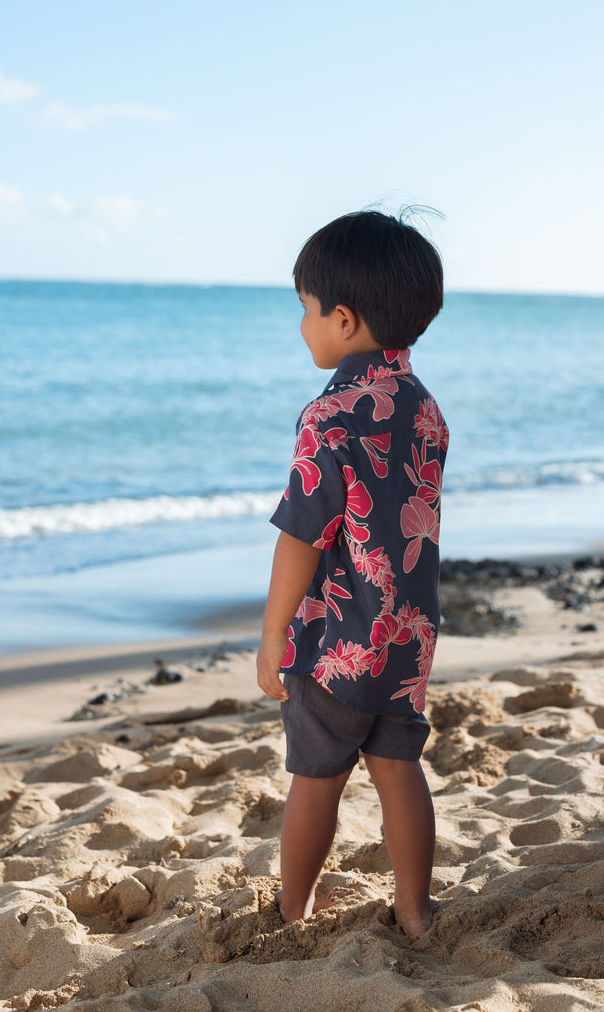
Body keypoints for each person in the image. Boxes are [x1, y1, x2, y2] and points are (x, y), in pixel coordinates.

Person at [256, 208, 448, 938]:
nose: (301, 324)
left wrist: (274, 632)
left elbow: (304, 533)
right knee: (398, 767)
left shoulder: (330, 414)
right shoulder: (425, 408)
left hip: (338, 638)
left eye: (304, 309)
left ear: (342, 319)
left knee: (317, 775)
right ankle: (415, 910)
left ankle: (291, 911)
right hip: (407, 635)